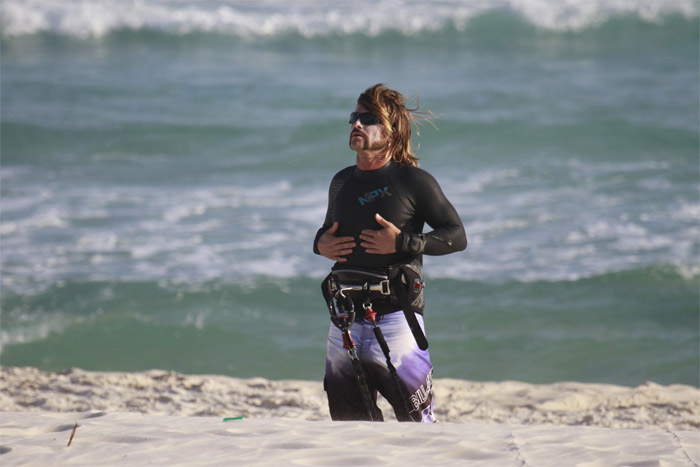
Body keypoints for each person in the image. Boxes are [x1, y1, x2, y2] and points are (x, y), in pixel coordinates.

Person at [313, 84, 467, 423]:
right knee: (350, 425)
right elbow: (325, 233)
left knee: (416, 428)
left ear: (392, 131)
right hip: (345, 322)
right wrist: (320, 244)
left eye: (368, 119)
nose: (356, 124)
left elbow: (456, 235)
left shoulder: (414, 181)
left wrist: (403, 243)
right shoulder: (341, 182)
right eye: (354, 117)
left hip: (398, 320)